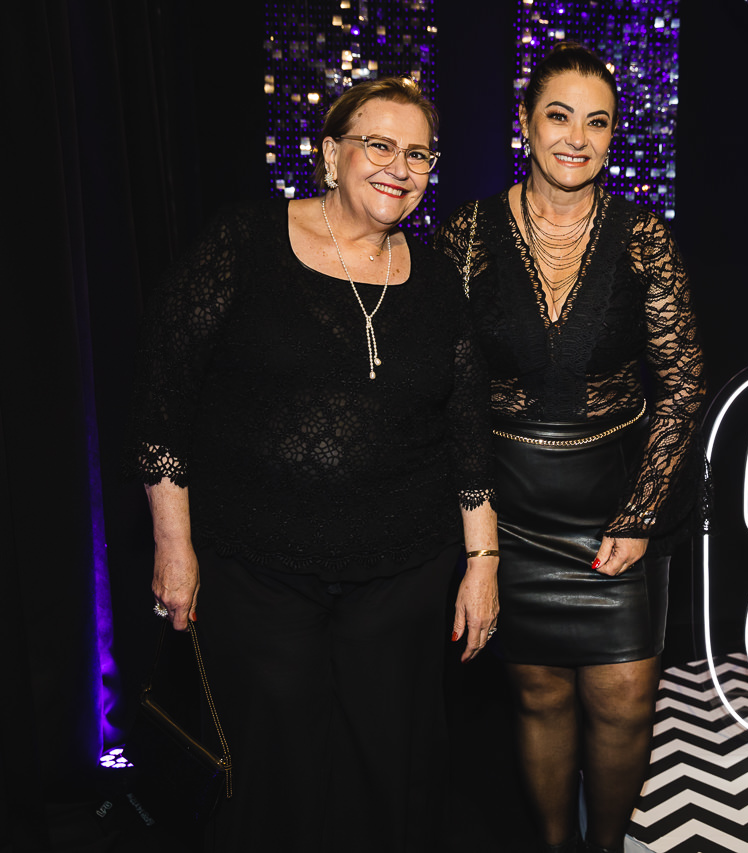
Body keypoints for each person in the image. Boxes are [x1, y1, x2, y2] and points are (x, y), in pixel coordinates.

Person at [132, 76, 499, 852]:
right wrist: (172, 543)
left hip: (401, 571)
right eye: (379, 145)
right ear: (331, 153)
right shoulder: (245, 243)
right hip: (256, 566)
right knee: (271, 769)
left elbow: (468, 435)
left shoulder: (437, 282)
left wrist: (483, 563)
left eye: (419, 154)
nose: (399, 167)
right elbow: (165, 396)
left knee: (386, 765)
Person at [436, 42, 707, 853]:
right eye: (560, 116)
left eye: (598, 122)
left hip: (616, 505)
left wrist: (640, 513)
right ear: (526, 123)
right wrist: (478, 531)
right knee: (540, 696)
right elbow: (446, 388)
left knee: (625, 699)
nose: (578, 138)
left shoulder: (643, 236)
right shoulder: (468, 234)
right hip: (508, 508)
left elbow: (684, 382)